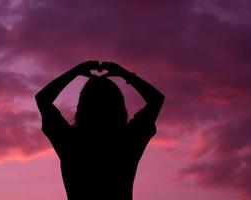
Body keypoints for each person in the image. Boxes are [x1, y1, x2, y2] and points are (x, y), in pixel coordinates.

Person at [35, 61, 165, 200]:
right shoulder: (128, 139)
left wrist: (75, 71)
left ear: (82, 106)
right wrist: (125, 74)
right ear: (119, 106)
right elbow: (156, 100)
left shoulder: (70, 140)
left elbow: (43, 99)